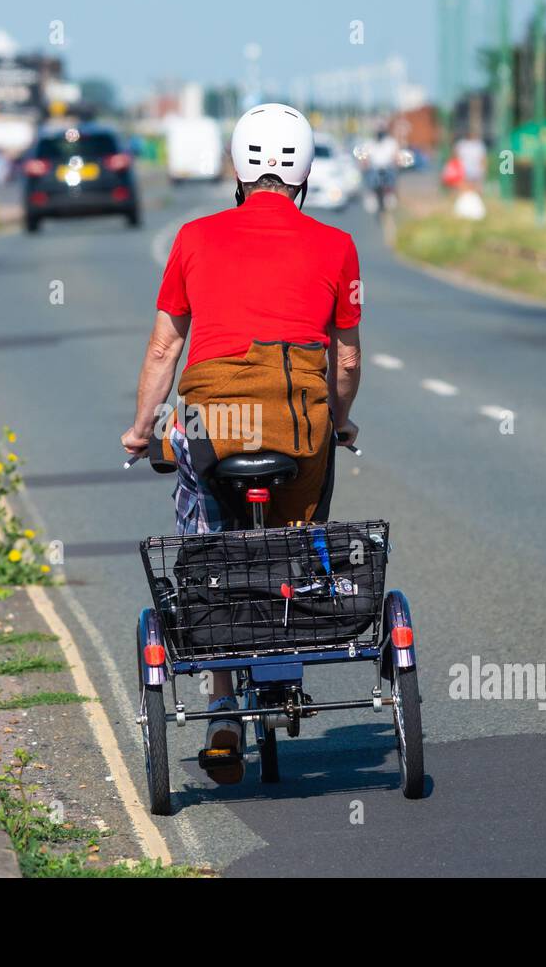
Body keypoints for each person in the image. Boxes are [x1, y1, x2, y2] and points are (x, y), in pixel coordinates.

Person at [120, 103, 363, 784]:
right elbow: (343, 362)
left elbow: (165, 349)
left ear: (237, 168)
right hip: (297, 418)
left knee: (207, 535)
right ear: (305, 172)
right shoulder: (336, 246)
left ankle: (223, 707)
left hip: (210, 423)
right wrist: (339, 421)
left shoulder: (194, 236)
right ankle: (288, 647)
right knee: (298, 515)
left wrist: (142, 430)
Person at [363, 125, 400, 208]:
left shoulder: (391, 142)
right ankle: (371, 195)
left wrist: (396, 162)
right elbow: (365, 158)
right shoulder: (369, 143)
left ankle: (389, 194)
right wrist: (364, 164)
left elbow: (396, 156)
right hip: (374, 168)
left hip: (388, 168)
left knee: (391, 177)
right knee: (370, 177)